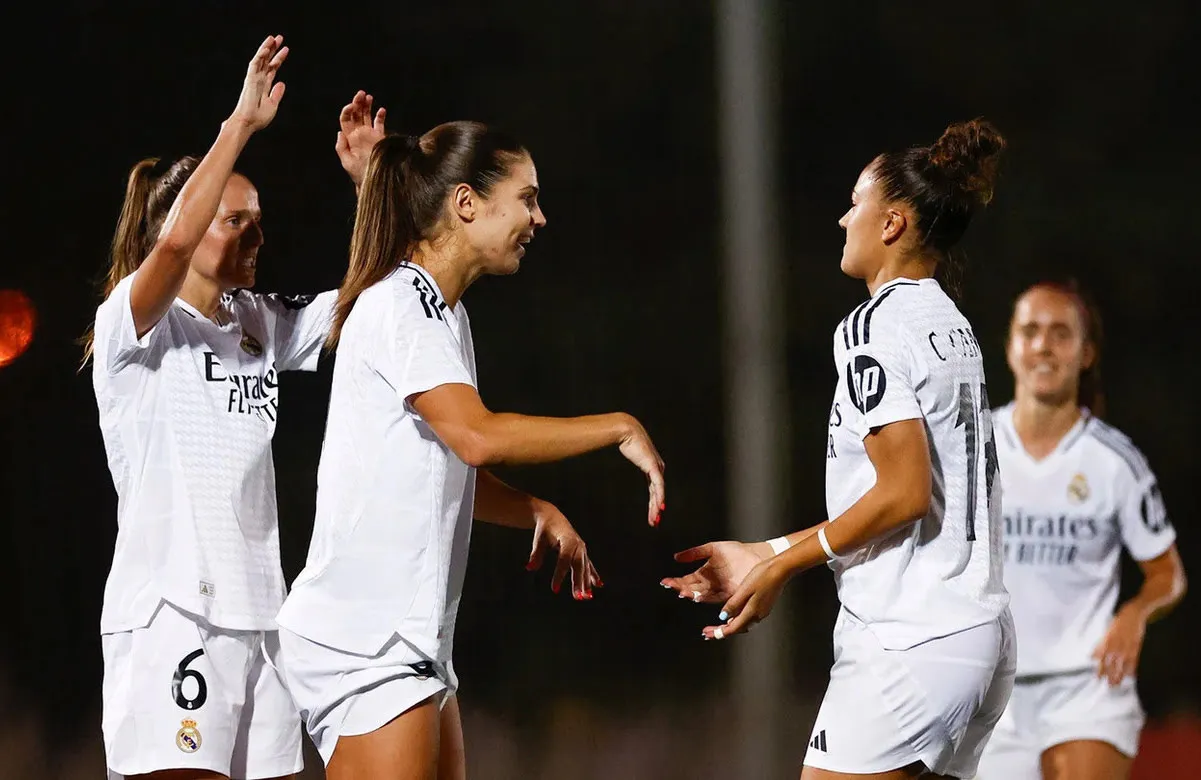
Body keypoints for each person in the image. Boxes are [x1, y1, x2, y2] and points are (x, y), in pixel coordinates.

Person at [270, 121, 667, 779]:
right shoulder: (401, 303)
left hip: (407, 640)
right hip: (365, 639)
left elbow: (439, 467)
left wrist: (533, 509)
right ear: (465, 204)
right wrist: (618, 426)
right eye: (527, 198)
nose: (539, 217)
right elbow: (476, 436)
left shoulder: (445, 314)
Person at [664, 119, 1015, 779]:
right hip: (976, 636)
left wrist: (782, 568)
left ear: (889, 225)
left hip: (907, 640)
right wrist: (764, 552)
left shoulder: (871, 326)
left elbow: (905, 493)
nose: (840, 219)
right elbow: (909, 500)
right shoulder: (949, 320)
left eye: (855, 202)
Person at [84, 35, 385, 779]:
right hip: (172, 617)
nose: (257, 233)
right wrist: (240, 125)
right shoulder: (132, 325)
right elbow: (177, 239)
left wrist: (371, 187)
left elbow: (371, 308)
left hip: (263, 624)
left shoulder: (255, 322)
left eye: (258, 218)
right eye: (234, 219)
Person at [974, 282, 1186, 780]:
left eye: (1060, 333)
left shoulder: (1114, 461)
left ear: (1085, 353)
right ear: (1009, 347)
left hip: (1088, 687)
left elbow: (1168, 574)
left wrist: (1135, 613)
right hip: (992, 689)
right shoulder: (977, 448)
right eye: (1030, 332)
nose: (1043, 346)